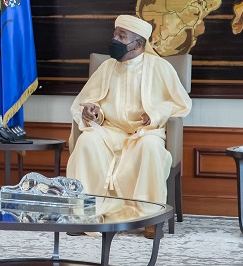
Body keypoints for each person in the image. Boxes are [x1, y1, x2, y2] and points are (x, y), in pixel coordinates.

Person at [66, 15, 191, 238]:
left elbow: (182, 104)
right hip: (110, 131)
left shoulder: (160, 67)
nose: (114, 39)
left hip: (144, 132)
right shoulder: (106, 67)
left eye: (121, 36)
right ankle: (85, 213)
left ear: (138, 43)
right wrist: (93, 112)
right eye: (115, 34)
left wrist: (155, 113)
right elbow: (90, 102)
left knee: (150, 147)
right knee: (87, 141)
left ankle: (149, 216)